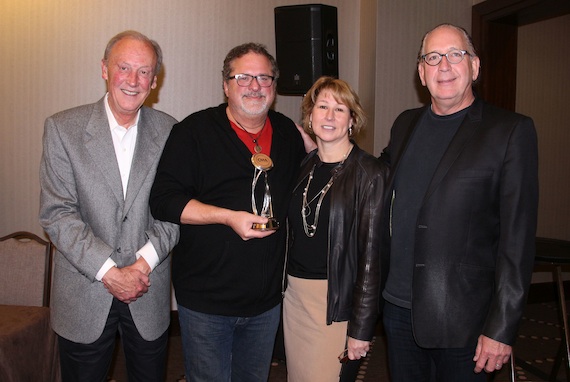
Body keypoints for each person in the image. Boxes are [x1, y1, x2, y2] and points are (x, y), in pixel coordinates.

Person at [379, 23, 539, 381]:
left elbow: (518, 240)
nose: (444, 66)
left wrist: (501, 326)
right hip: (398, 310)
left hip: (467, 322)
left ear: (475, 66)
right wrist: (326, 148)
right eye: (433, 58)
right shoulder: (405, 124)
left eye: (455, 55)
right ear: (421, 73)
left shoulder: (510, 131)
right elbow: (378, 175)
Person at [149, 42, 307, 382]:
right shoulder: (193, 132)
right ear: (225, 85)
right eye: (243, 77)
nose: (254, 86)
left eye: (264, 78)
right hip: (207, 303)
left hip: (266, 303)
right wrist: (226, 216)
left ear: (275, 87)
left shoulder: (287, 134)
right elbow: (163, 200)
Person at [39, 30, 179, 382]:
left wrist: (140, 265)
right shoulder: (62, 129)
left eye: (144, 71)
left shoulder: (172, 132)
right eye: (124, 68)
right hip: (85, 293)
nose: (133, 81)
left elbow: (174, 211)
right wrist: (111, 273)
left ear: (154, 80)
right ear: (104, 69)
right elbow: (58, 214)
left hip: (148, 289)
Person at [283, 76, 387, 382]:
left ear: (352, 120)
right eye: (322, 107)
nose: (329, 116)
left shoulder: (370, 173)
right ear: (310, 117)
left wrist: (362, 329)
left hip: (335, 303)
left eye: (340, 110)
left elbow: (372, 259)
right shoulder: (303, 166)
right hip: (294, 298)